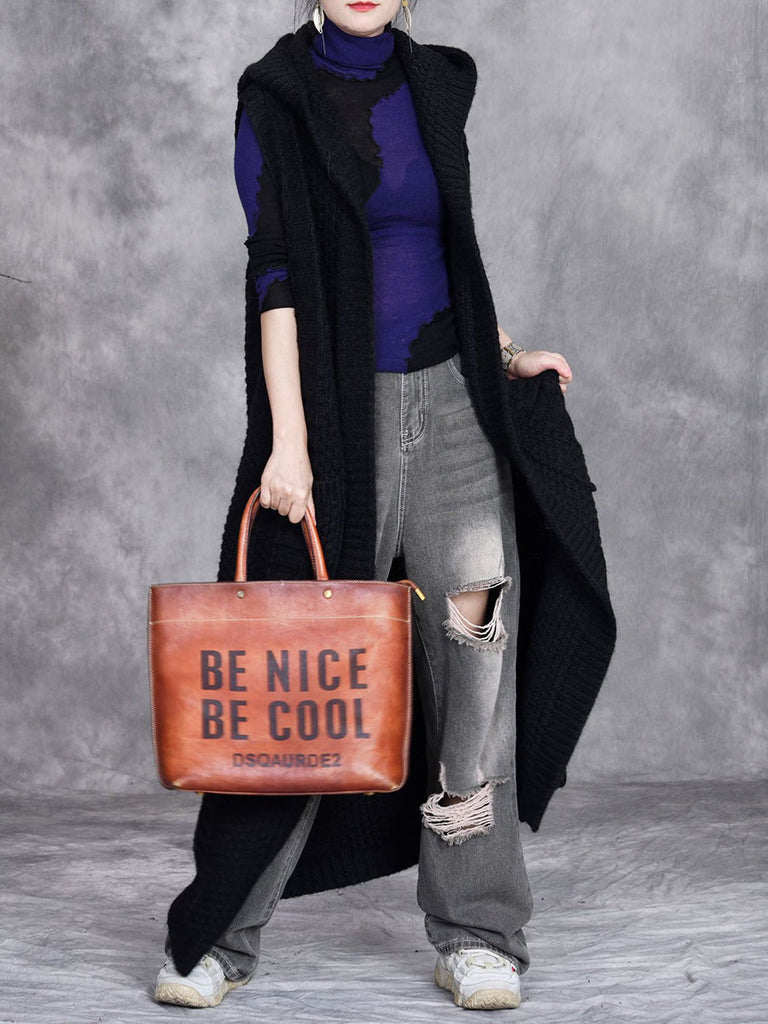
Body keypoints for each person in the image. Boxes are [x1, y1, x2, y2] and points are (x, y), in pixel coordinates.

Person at [154, 0, 616, 1012]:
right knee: (293, 679)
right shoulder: (275, 96)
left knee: (475, 664)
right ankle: (222, 935)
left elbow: (450, 248)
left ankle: (478, 930)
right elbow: (275, 279)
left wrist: (507, 354)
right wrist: (288, 443)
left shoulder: (438, 82)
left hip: (456, 411)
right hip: (337, 418)